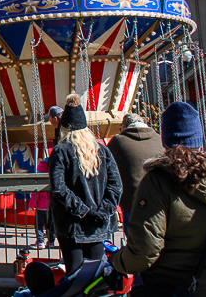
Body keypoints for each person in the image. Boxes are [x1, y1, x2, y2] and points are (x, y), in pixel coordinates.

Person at [109, 102, 206, 297]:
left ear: (165, 141)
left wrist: (117, 260)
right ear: (200, 139)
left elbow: (145, 251)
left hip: (170, 284)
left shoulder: (158, 182)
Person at [48, 93, 122, 276]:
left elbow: (59, 188)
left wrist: (83, 212)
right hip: (98, 223)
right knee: (95, 274)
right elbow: (116, 185)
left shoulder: (60, 151)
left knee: (74, 274)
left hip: (70, 224)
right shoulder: (102, 151)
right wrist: (102, 212)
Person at [106, 113, 164, 236]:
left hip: (132, 200)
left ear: (125, 126)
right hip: (159, 199)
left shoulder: (118, 141)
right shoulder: (159, 139)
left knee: (134, 243)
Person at [29, 159, 55, 249]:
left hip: (41, 207)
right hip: (51, 207)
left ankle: (40, 241)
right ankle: (51, 241)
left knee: (39, 224)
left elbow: (35, 195)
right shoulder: (54, 182)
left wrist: (31, 206)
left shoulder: (39, 183)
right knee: (50, 225)